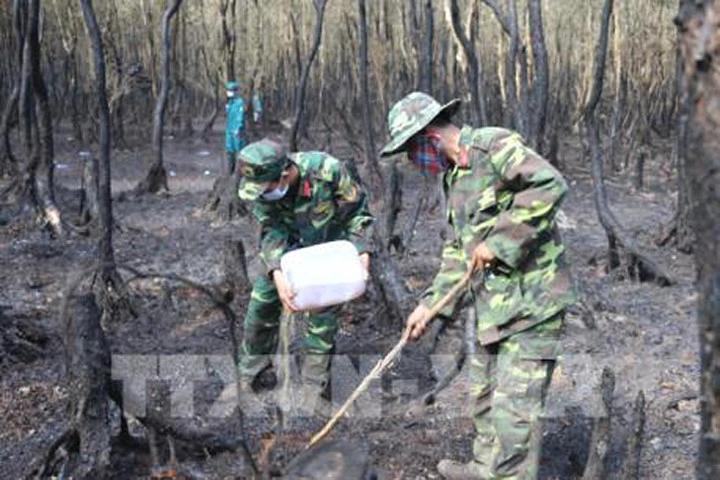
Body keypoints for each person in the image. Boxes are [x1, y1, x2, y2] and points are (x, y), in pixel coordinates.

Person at [380, 92, 577, 480]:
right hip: (494, 307)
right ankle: (483, 471)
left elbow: (550, 184)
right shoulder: (454, 180)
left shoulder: (495, 145)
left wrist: (500, 241)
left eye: (411, 151)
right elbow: (458, 252)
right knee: (484, 399)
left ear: (430, 139)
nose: (411, 161)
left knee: (514, 417)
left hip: (534, 305)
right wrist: (430, 307)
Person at [236, 138, 374, 401]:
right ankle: (249, 373)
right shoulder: (262, 188)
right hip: (286, 254)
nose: (263, 194)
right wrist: (277, 272)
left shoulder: (327, 170)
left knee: (321, 319)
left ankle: (313, 388)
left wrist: (362, 251)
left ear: (285, 174)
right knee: (261, 305)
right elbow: (270, 229)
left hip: (326, 250)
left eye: (267, 187)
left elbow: (358, 211)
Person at [225, 80, 247, 175]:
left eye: (232, 90)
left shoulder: (239, 103)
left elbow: (240, 116)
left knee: (239, 150)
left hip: (237, 130)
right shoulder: (229, 103)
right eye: (228, 89)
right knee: (229, 150)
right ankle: (230, 171)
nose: (229, 92)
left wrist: (238, 128)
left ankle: (239, 173)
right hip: (229, 130)